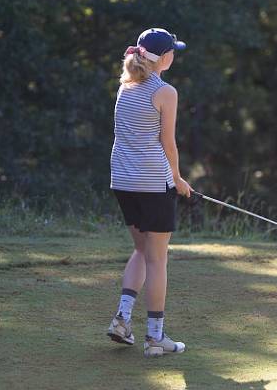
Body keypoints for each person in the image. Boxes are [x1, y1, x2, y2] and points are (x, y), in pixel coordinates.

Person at [107, 27, 193, 358]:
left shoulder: (125, 86)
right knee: (158, 259)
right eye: (173, 51)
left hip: (123, 182)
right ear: (164, 58)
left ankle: (122, 320)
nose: (175, 55)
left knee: (142, 250)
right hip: (153, 183)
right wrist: (177, 178)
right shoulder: (165, 92)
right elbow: (167, 143)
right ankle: (155, 338)